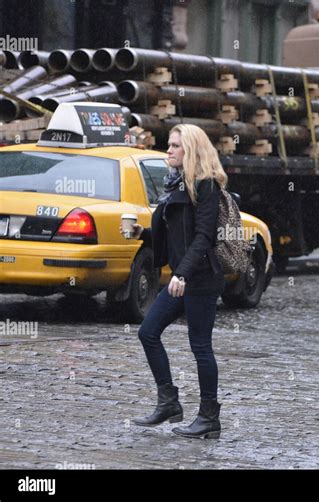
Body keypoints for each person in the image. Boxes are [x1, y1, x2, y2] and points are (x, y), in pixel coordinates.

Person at [124, 124, 227, 439]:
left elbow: (203, 237)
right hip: (182, 277)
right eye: (169, 145)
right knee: (148, 332)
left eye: (174, 146)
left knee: (200, 347)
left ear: (191, 150)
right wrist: (143, 234)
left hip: (201, 277)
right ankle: (169, 401)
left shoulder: (206, 186)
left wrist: (181, 273)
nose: (168, 150)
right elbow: (175, 235)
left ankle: (209, 417)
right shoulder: (176, 183)